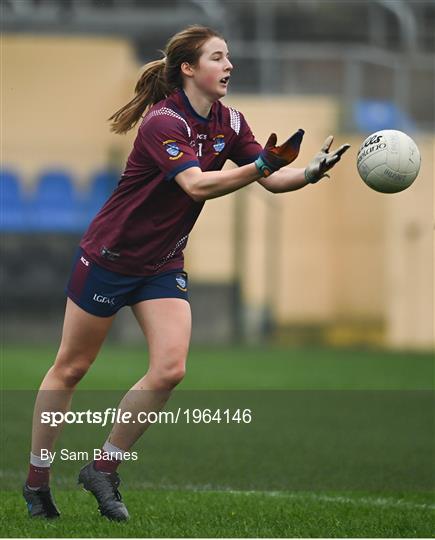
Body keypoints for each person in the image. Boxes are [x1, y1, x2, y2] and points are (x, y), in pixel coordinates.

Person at [23, 25, 350, 521]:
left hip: (161, 264)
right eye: (218, 57)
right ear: (189, 69)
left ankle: (104, 468)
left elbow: (271, 174)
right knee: (71, 367)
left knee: (171, 368)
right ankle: (36, 481)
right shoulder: (163, 122)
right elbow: (196, 186)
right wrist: (260, 166)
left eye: (229, 57)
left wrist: (307, 172)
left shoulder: (230, 119)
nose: (229, 66)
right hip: (110, 257)